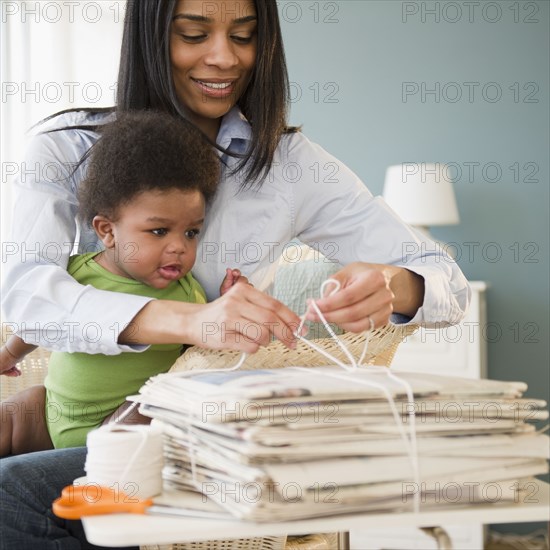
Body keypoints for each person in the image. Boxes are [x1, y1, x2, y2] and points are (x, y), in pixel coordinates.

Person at [0, 0, 470, 547]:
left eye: (244, 36)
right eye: (194, 34)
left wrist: (398, 283)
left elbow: (446, 279)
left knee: (11, 494)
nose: (223, 58)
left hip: (194, 433)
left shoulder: (291, 163)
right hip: (77, 405)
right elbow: (26, 292)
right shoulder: (68, 146)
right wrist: (193, 320)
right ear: (151, 39)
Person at [0, 110, 253, 456]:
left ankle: (102, 468)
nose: (179, 246)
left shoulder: (188, 295)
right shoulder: (76, 273)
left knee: (151, 406)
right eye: (159, 231)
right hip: (52, 413)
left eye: (191, 232)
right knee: (17, 410)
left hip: (115, 425)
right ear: (107, 231)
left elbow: (201, 352)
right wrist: (10, 353)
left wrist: (229, 302)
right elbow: (41, 320)